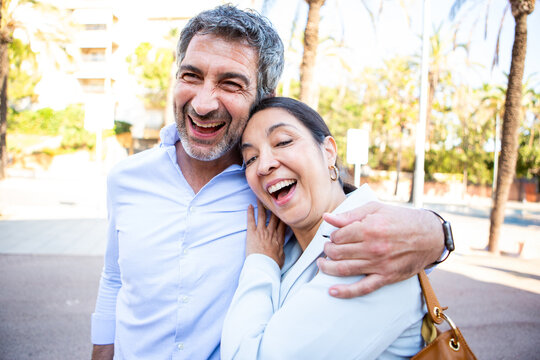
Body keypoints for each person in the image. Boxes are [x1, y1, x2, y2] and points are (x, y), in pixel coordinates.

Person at [91, 5, 446, 360]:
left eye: (230, 83)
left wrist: (436, 232)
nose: (202, 104)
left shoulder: (277, 196)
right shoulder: (126, 179)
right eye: (191, 75)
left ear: (264, 94)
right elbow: (114, 279)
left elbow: (380, 238)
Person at [221, 97, 425, 359]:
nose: (264, 165)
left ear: (328, 151)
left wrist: (260, 263)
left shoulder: (370, 248)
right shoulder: (288, 244)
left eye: (283, 142)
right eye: (250, 158)